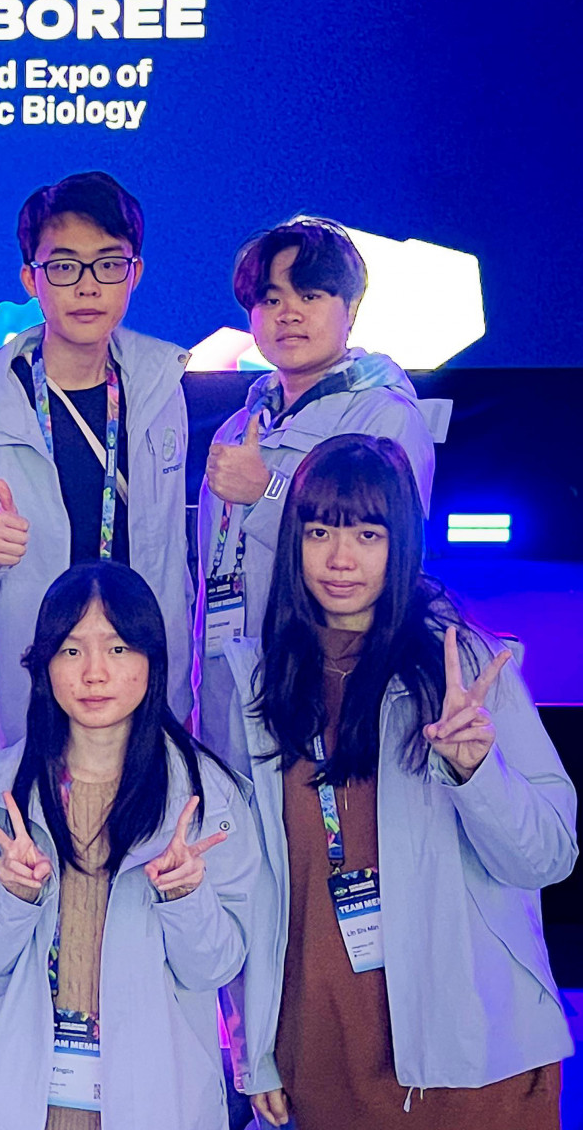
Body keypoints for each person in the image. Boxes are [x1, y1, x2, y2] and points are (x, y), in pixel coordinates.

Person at [222, 435, 574, 1129]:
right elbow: (255, 884)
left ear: (402, 542)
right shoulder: (263, 685)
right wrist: (255, 1045)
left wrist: (477, 772)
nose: (340, 559)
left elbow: (548, 857)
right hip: (322, 1047)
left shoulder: (464, 668)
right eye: (319, 532)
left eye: (368, 534)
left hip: (472, 1054)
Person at [0, 561, 268, 1129]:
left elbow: (217, 967)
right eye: (71, 650)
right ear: (45, 665)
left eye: (118, 649)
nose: (94, 673)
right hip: (22, 1102)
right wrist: (13, 895)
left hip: (154, 1104)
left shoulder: (207, 798)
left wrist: (186, 898)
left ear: (152, 661)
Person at [0, 171, 192, 757]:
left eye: (108, 264)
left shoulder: (162, 387)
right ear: (31, 279)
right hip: (32, 693)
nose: (87, 286)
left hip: (145, 687)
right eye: (64, 266)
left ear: (135, 273)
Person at [195, 216, 436, 763]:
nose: (288, 313)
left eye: (310, 295)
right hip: (229, 680)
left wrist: (267, 491)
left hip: (332, 683)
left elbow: (394, 556)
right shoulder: (240, 425)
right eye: (271, 299)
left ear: (350, 309)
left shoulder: (383, 417)